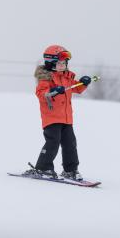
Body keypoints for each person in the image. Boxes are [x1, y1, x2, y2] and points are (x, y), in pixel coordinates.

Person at [23, 45, 92, 181]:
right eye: (59, 63)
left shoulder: (67, 78)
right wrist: (54, 91)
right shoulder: (46, 79)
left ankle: (70, 170)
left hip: (66, 119)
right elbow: (42, 94)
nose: (62, 65)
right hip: (52, 118)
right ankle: (43, 168)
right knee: (53, 142)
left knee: (70, 143)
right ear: (50, 63)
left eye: (64, 63)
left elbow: (77, 88)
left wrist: (84, 83)